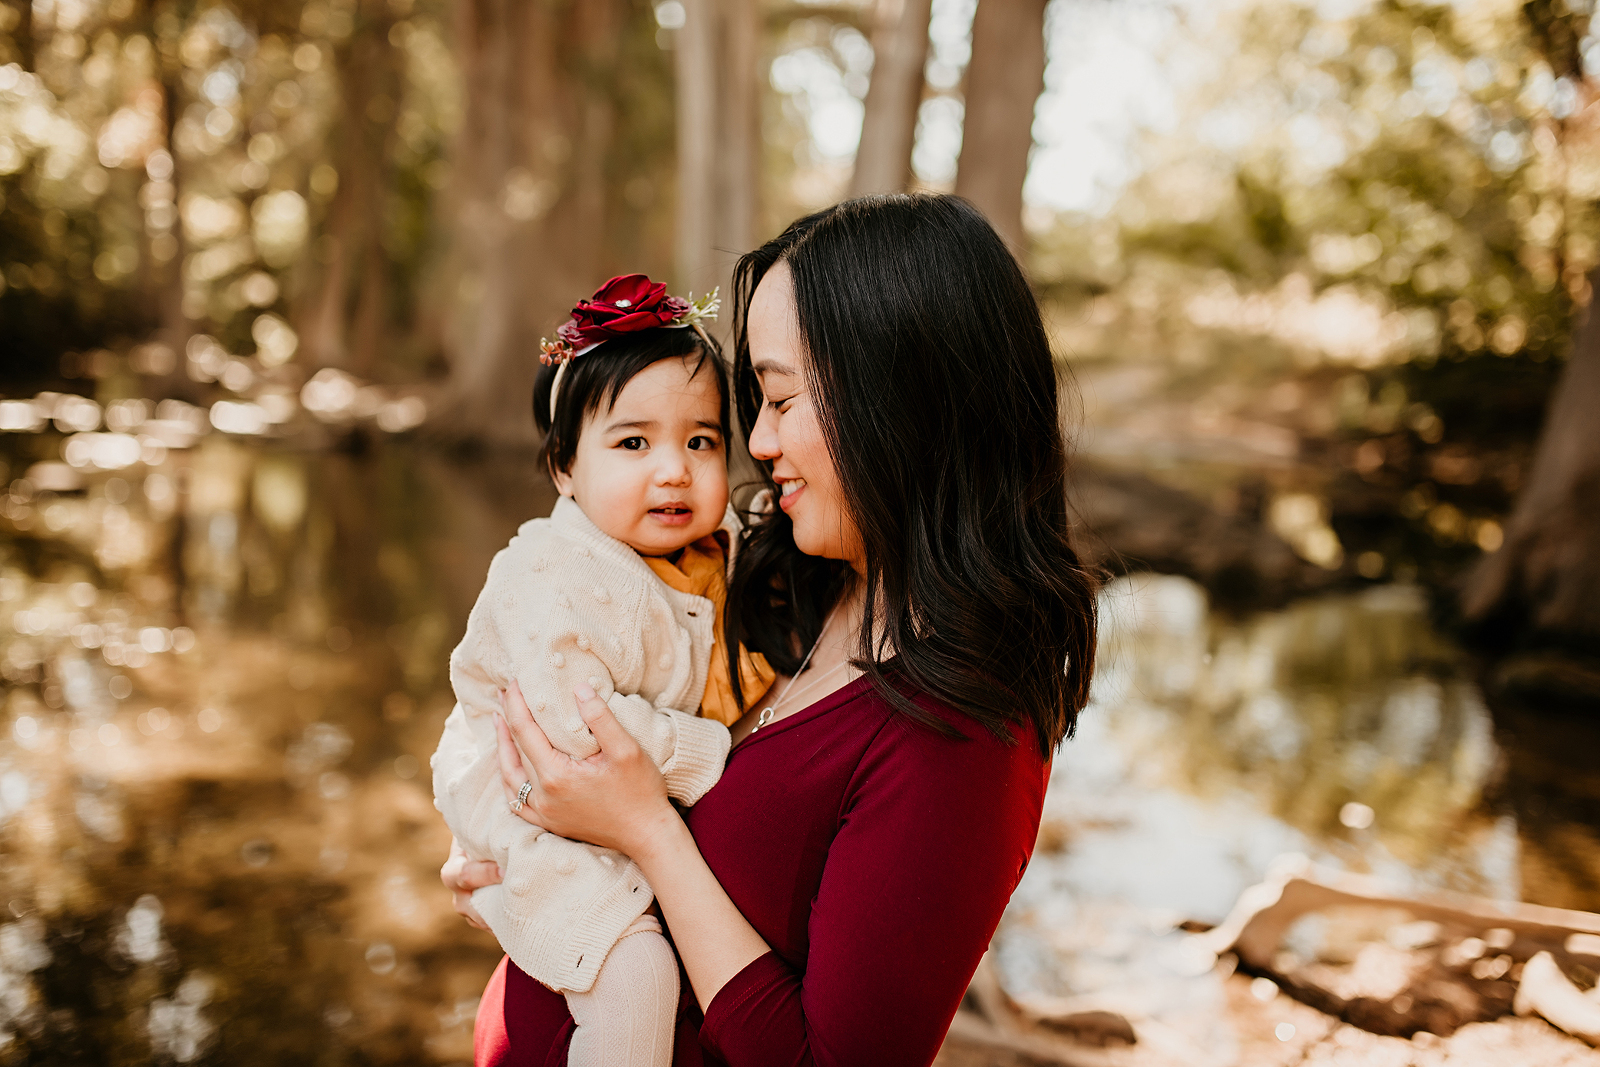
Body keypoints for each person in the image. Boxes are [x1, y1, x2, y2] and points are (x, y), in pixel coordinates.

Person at [443, 193, 1101, 1066]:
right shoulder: (777, 575)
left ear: (898, 402)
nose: (758, 440)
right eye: (754, 401)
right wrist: (516, 857)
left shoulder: (965, 731)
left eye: (782, 400)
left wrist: (644, 829)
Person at [431, 273, 774, 1067]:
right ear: (564, 469)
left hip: (592, 797)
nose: (674, 470)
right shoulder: (556, 575)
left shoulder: (707, 553)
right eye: (632, 442)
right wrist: (706, 755)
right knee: (637, 976)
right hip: (527, 793)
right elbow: (581, 728)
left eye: (701, 440)